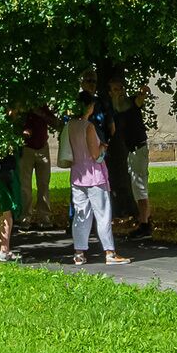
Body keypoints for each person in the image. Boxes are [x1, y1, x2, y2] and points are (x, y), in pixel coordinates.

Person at [65, 104, 128, 264]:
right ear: (88, 108)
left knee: (81, 214)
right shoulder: (89, 127)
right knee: (103, 214)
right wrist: (103, 146)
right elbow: (95, 154)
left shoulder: (70, 125)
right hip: (94, 176)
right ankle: (110, 253)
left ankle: (79, 253)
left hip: (78, 175)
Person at [110, 88, 151, 236]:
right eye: (114, 90)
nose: (118, 93)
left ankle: (145, 225)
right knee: (137, 186)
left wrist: (144, 92)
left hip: (138, 148)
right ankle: (144, 220)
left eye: (120, 90)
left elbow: (140, 99)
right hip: (133, 150)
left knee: (140, 186)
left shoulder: (132, 102)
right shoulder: (117, 108)